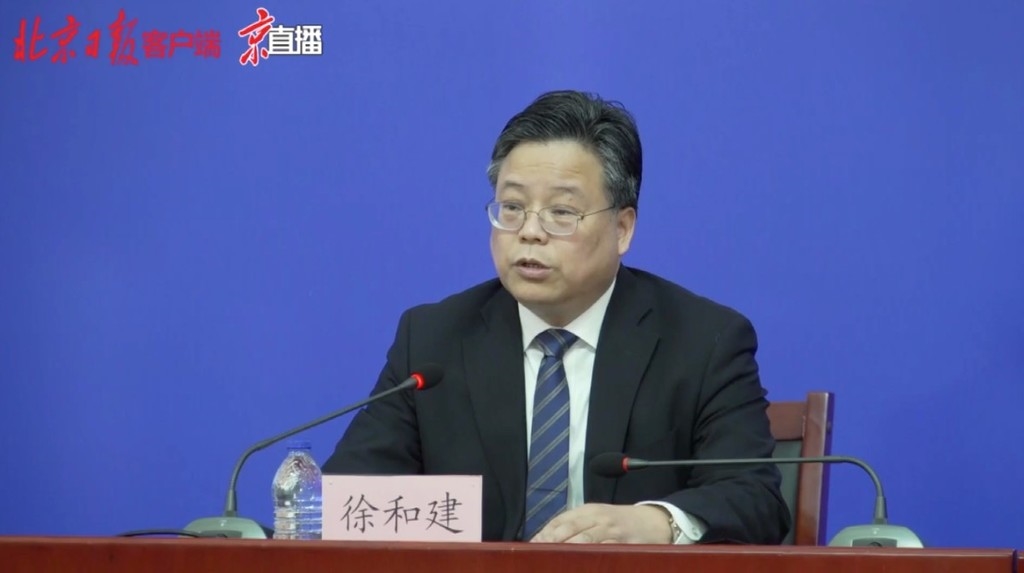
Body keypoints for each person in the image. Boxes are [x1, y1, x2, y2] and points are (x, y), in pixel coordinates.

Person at [322, 90, 790, 545]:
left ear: (622, 228)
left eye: (561, 212)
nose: (529, 232)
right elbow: (349, 497)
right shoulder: (433, 340)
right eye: (512, 208)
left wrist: (655, 523)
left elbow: (755, 498)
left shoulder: (703, 341)